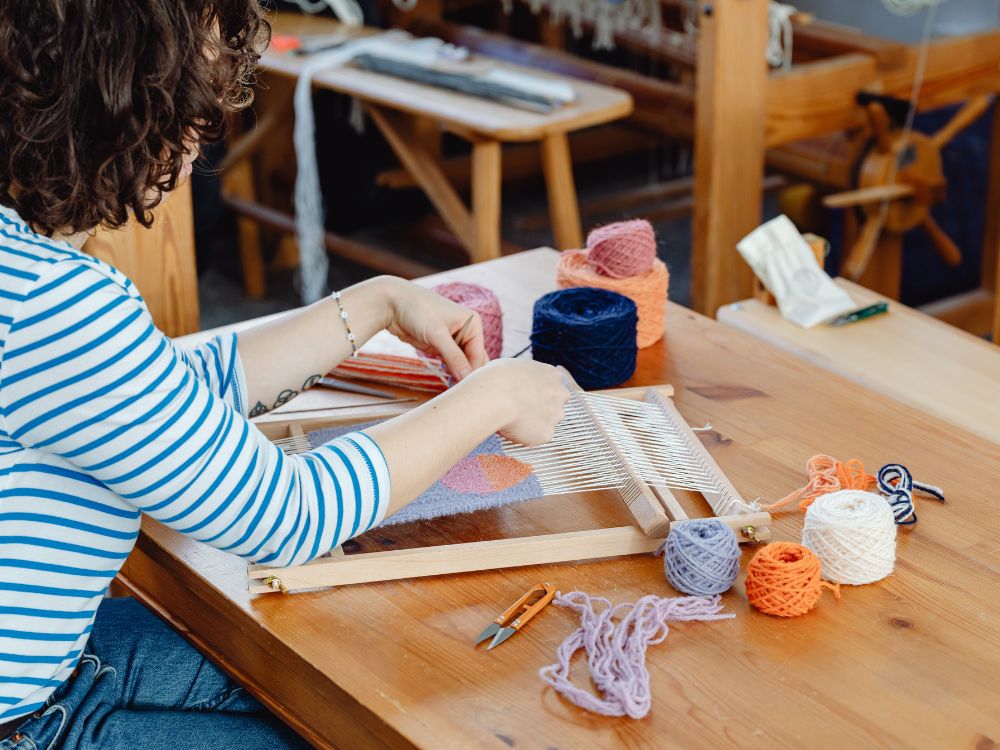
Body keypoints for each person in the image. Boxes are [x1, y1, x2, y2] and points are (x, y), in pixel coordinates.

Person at [0, 1, 569, 747]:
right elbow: (286, 515)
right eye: (190, 97)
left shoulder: (26, 275)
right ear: (115, 102)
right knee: (369, 714)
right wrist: (491, 397)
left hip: (51, 673)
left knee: (333, 681)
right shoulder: (54, 305)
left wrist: (376, 302)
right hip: (22, 721)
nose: (205, 130)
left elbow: (156, 390)